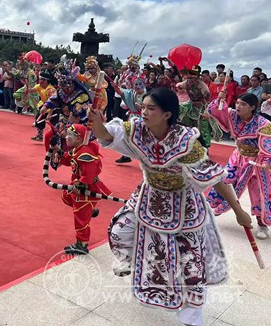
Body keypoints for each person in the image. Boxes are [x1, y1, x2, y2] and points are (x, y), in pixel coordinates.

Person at [88, 87, 251, 326]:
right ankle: (135, 261)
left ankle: (193, 317)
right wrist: (96, 124)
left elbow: (216, 179)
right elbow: (109, 135)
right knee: (119, 230)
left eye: (150, 108)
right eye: (142, 107)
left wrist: (239, 211)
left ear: (167, 114)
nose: (143, 112)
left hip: (184, 203)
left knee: (190, 264)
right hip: (150, 194)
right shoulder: (137, 130)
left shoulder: (186, 142)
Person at [206, 92, 271, 239]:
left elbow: (268, 145)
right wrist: (220, 99)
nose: (238, 106)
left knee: (258, 191)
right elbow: (214, 111)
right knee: (224, 180)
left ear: (252, 107)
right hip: (238, 156)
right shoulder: (233, 115)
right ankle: (211, 211)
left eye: (243, 104)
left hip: (257, 160)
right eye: (238, 103)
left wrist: (267, 162)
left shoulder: (264, 124)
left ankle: (262, 224)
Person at [46, 123, 111, 255]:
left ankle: (82, 244)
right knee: (66, 196)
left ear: (78, 138)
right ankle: (90, 211)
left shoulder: (85, 154)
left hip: (87, 189)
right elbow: (66, 159)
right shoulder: (77, 149)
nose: (67, 137)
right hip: (77, 187)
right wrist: (57, 149)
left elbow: (90, 173)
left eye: (70, 135)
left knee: (80, 217)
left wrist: (81, 185)